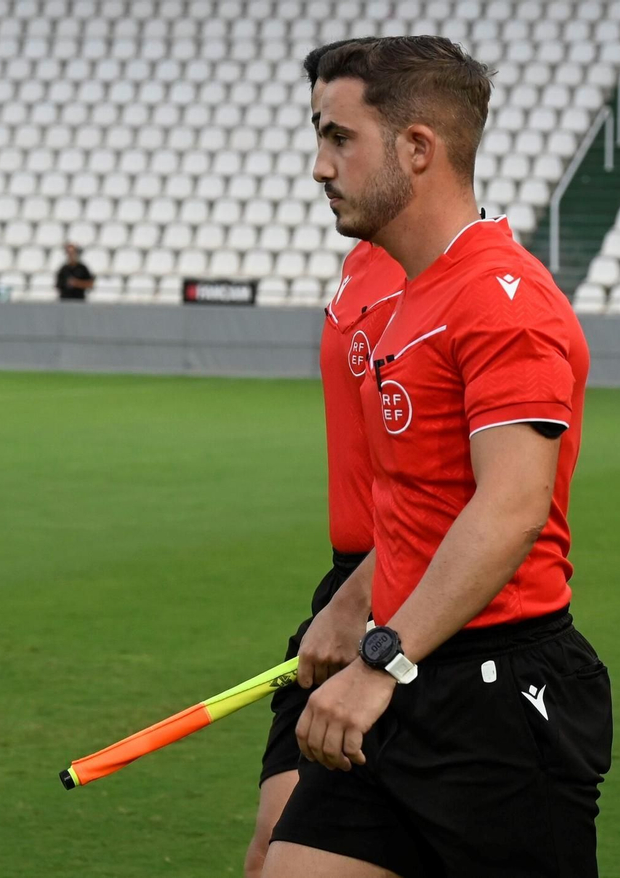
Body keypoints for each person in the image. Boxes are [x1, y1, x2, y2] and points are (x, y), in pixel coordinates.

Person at [263, 36, 611, 878]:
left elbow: (512, 507)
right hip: (403, 655)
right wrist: (353, 607)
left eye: (339, 138)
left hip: (494, 691)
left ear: (418, 148)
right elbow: (420, 501)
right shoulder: (408, 296)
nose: (319, 166)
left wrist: (383, 660)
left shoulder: (503, 301)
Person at [243, 42, 407, 867]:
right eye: (318, 135)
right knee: (271, 848)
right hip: (347, 585)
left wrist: (362, 602)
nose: (319, 166)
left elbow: (469, 494)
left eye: (339, 138)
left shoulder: (437, 285)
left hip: (404, 594)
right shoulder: (363, 258)